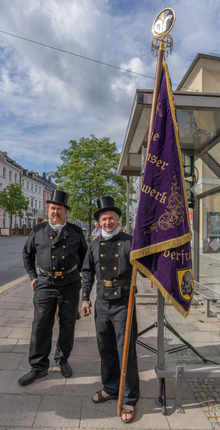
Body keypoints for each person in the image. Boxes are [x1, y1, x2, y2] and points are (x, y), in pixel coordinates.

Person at [18, 190, 87, 386]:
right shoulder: (38, 230)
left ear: (66, 211)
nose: (55, 212)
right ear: (48, 210)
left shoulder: (76, 232)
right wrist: (33, 277)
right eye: (52, 208)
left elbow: (85, 257)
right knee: (40, 325)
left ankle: (62, 359)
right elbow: (27, 255)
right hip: (45, 284)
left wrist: (77, 274)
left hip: (70, 285)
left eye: (59, 208)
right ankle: (39, 367)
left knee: (67, 325)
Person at [81, 196, 139, 424]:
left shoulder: (131, 241)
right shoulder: (94, 244)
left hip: (124, 301)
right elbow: (87, 272)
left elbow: (143, 269)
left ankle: (130, 397)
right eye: (104, 219)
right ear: (99, 222)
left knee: (125, 350)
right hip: (102, 301)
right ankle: (111, 387)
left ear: (118, 219)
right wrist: (85, 299)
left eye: (111, 218)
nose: (107, 222)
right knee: (105, 347)